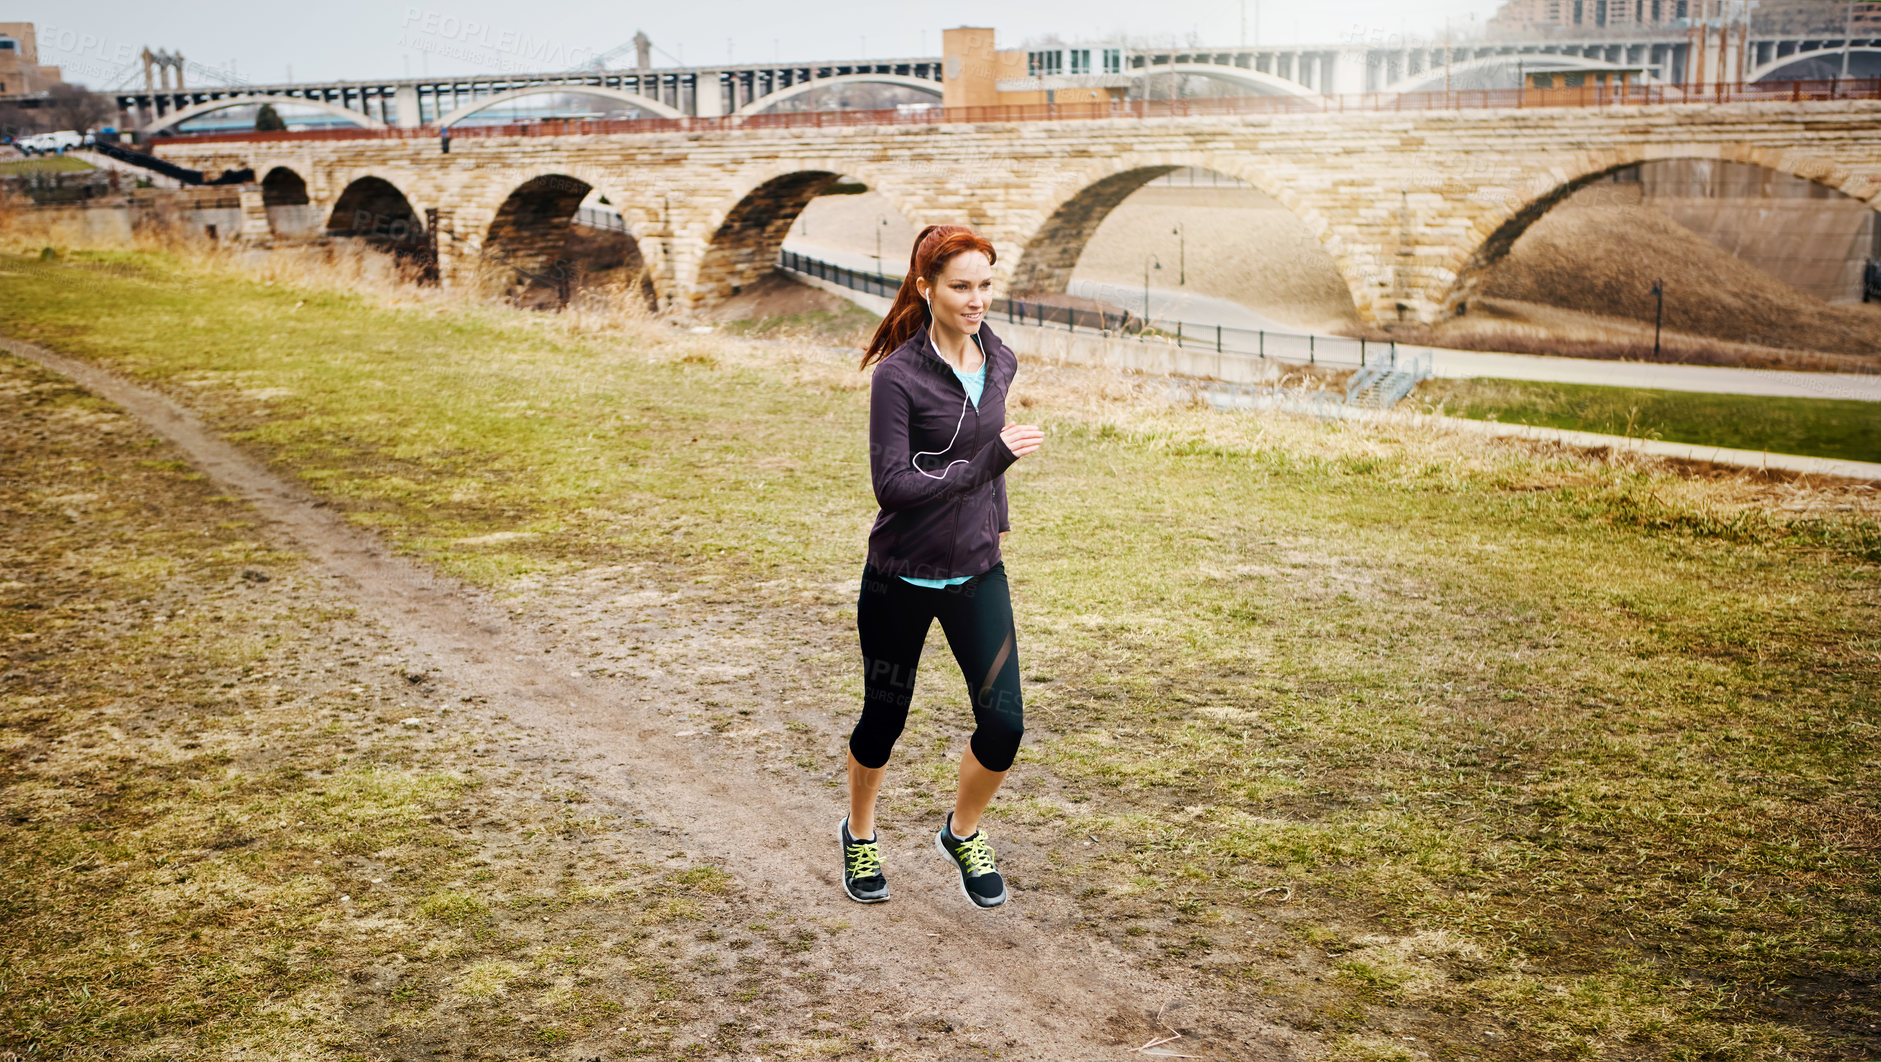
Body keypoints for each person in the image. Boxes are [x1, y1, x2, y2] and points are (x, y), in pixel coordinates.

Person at [840, 225, 1045, 909]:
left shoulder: (1000, 359)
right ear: (925, 288)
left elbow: (985, 451)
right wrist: (988, 464)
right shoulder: (898, 378)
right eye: (961, 286)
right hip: (898, 576)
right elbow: (892, 486)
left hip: (977, 572)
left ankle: (962, 832)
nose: (976, 299)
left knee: (1005, 724)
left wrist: (991, 513)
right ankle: (860, 834)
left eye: (985, 285)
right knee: (883, 720)